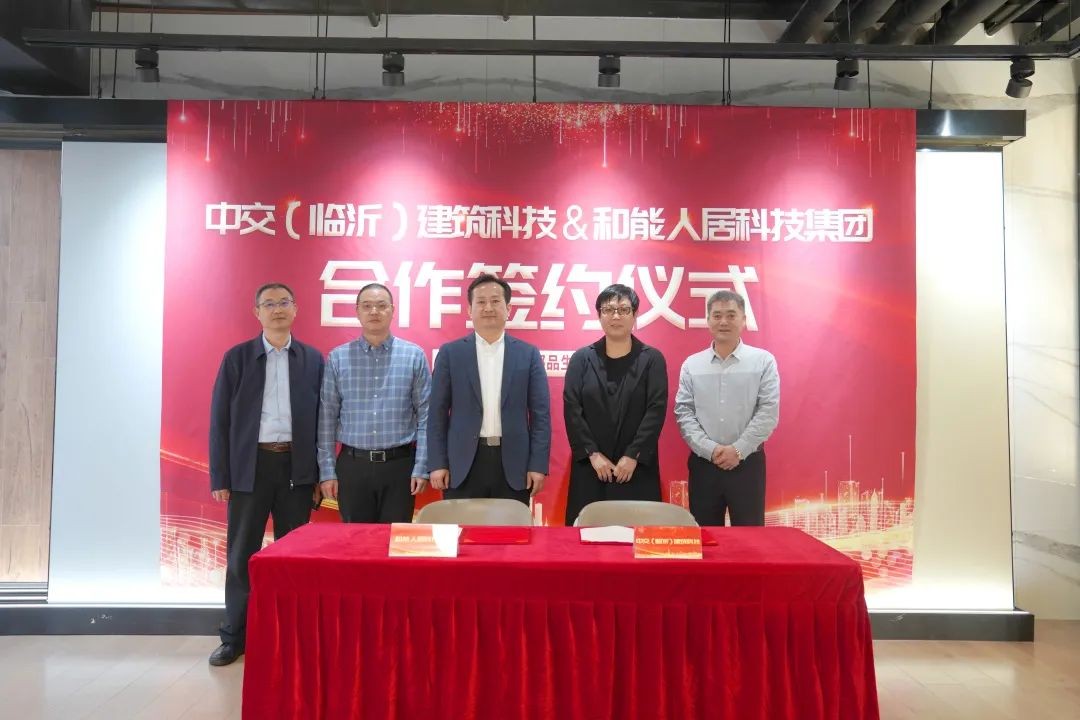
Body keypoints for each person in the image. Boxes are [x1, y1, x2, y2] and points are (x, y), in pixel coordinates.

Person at [207, 282, 324, 666]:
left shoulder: (312, 359)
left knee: (294, 555)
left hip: (296, 467)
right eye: (269, 304)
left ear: (296, 309)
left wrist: (318, 473)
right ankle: (234, 637)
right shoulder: (237, 358)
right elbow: (219, 420)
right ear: (256, 312)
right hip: (249, 467)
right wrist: (221, 476)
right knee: (242, 554)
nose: (277, 309)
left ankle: (291, 635)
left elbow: (324, 420)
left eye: (284, 302)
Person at [427, 273, 551, 504]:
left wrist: (537, 465)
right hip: (462, 463)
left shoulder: (528, 354)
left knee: (510, 526)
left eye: (495, 301)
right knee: (463, 526)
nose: (488, 308)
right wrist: (437, 463)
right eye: (481, 302)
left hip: (514, 463)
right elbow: (436, 414)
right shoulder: (450, 353)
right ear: (469, 310)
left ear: (508, 309)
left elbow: (540, 416)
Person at [317, 283, 431, 522]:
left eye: (381, 306)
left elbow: (426, 416)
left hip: (400, 466)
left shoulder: (413, 355)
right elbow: (326, 419)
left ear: (392, 310)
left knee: (394, 539)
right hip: (353, 466)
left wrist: (422, 466)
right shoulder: (338, 358)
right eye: (367, 306)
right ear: (357, 311)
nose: (374, 312)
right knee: (355, 540)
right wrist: (327, 471)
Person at [563, 284, 668, 525]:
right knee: (587, 537)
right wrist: (592, 454)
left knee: (637, 536)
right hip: (591, 467)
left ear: (635, 315)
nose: (616, 316)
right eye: (608, 310)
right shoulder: (582, 359)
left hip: (636, 468)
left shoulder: (652, 359)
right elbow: (572, 409)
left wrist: (633, 455)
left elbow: (656, 410)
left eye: (623, 309)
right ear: (599, 315)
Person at [673, 289, 779, 526]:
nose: (723, 321)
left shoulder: (763, 361)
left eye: (731, 315)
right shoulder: (692, 365)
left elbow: (768, 411)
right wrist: (710, 450)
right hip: (704, 464)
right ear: (708, 320)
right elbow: (684, 412)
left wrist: (738, 450)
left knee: (750, 538)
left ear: (743, 320)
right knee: (705, 537)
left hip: (748, 463)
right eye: (717, 315)